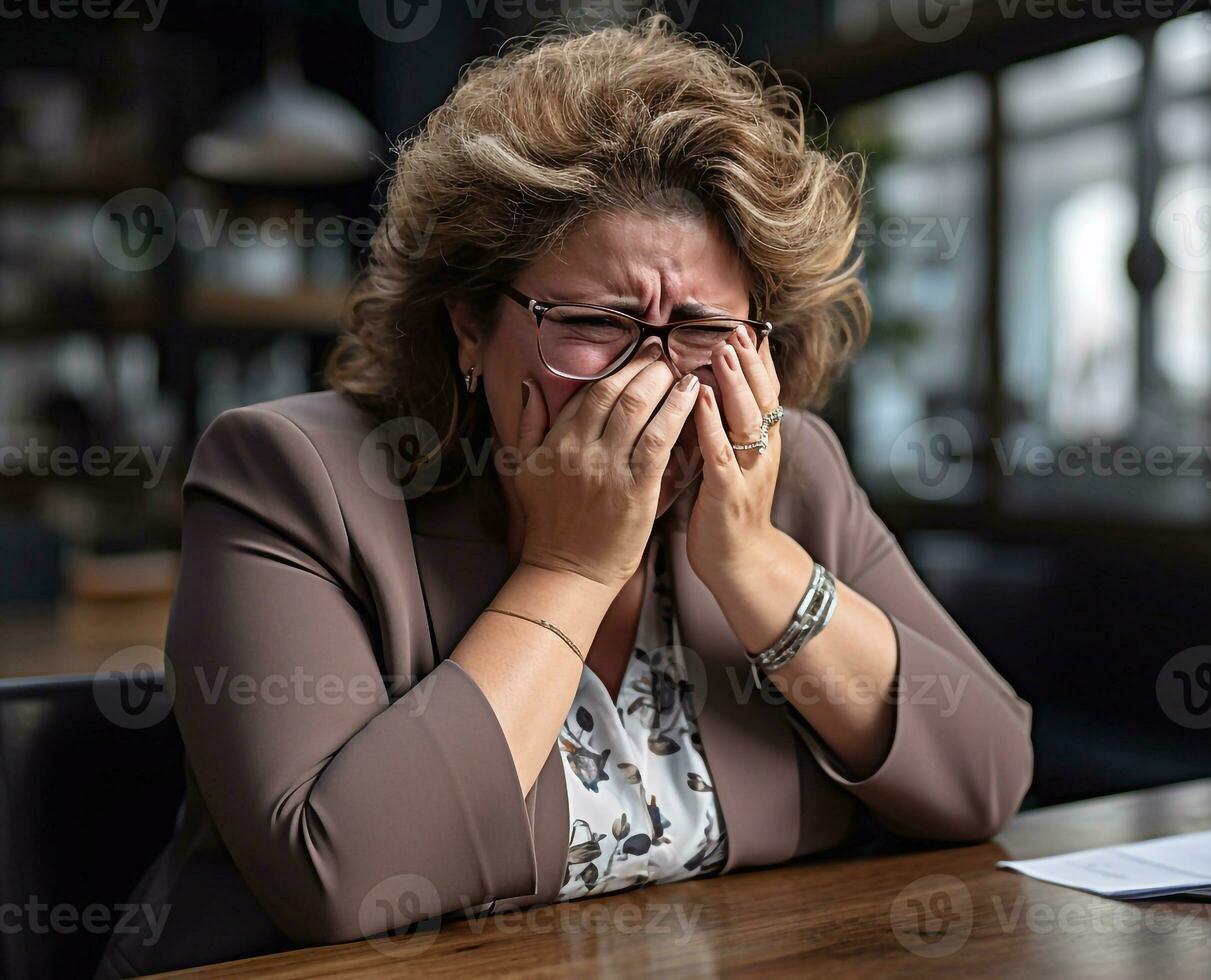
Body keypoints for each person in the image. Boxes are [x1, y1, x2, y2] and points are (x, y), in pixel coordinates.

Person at [98, 16, 1032, 977]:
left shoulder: (791, 477)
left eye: (703, 330)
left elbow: (986, 778)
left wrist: (756, 567)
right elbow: (343, 879)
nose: (655, 381)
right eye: (592, 322)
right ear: (468, 323)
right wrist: (570, 568)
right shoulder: (291, 477)